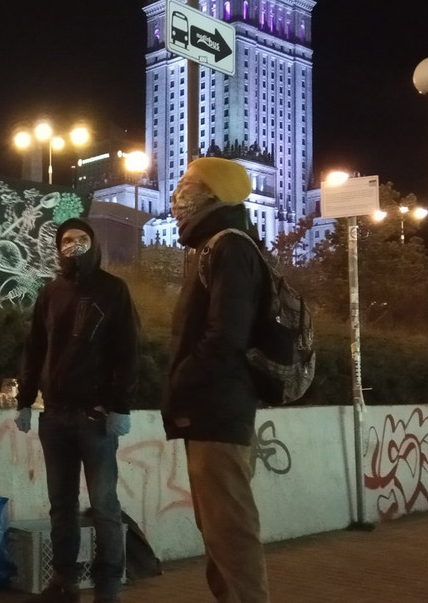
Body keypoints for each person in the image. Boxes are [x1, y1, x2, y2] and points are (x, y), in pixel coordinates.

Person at [14, 218, 140, 603]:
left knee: (104, 506)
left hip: (96, 417)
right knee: (61, 506)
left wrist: (121, 407)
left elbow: (128, 352)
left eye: (81, 239)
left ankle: (108, 587)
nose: (73, 245)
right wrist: (24, 401)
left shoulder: (113, 289)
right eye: (67, 240)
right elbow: (35, 347)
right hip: (54, 416)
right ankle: (64, 581)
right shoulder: (50, 292)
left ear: (93, 243)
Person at [161, 157, 269, 603]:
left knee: (230, 532)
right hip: (212, 409)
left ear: (212, 194)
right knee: (218, 532)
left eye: (186, 184)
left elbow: (225, 335)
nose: (176, 195)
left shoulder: (230, 246)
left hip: (218, 409)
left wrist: (184, 381)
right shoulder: (216, 247)